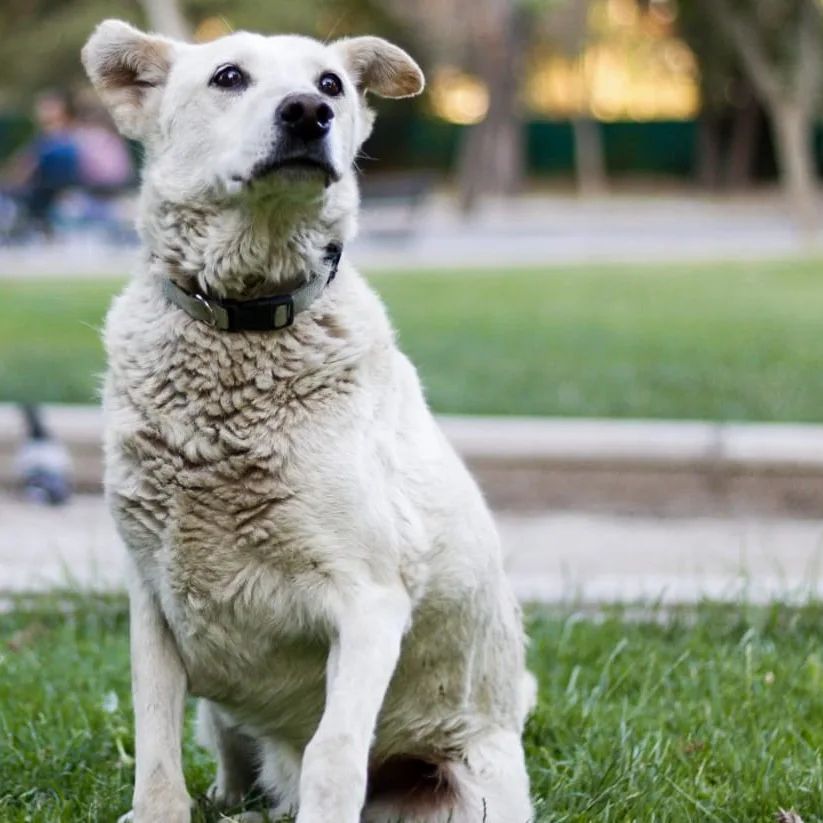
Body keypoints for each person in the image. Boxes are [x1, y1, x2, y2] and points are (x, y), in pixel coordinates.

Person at [1, 90, 80, 234]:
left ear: (63, 111)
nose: (41, 110)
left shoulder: (55, 139)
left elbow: (23, 169)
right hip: (45, 197)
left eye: (48, 106)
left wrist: (10, 184)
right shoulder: (45, 138)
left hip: (49, 198)